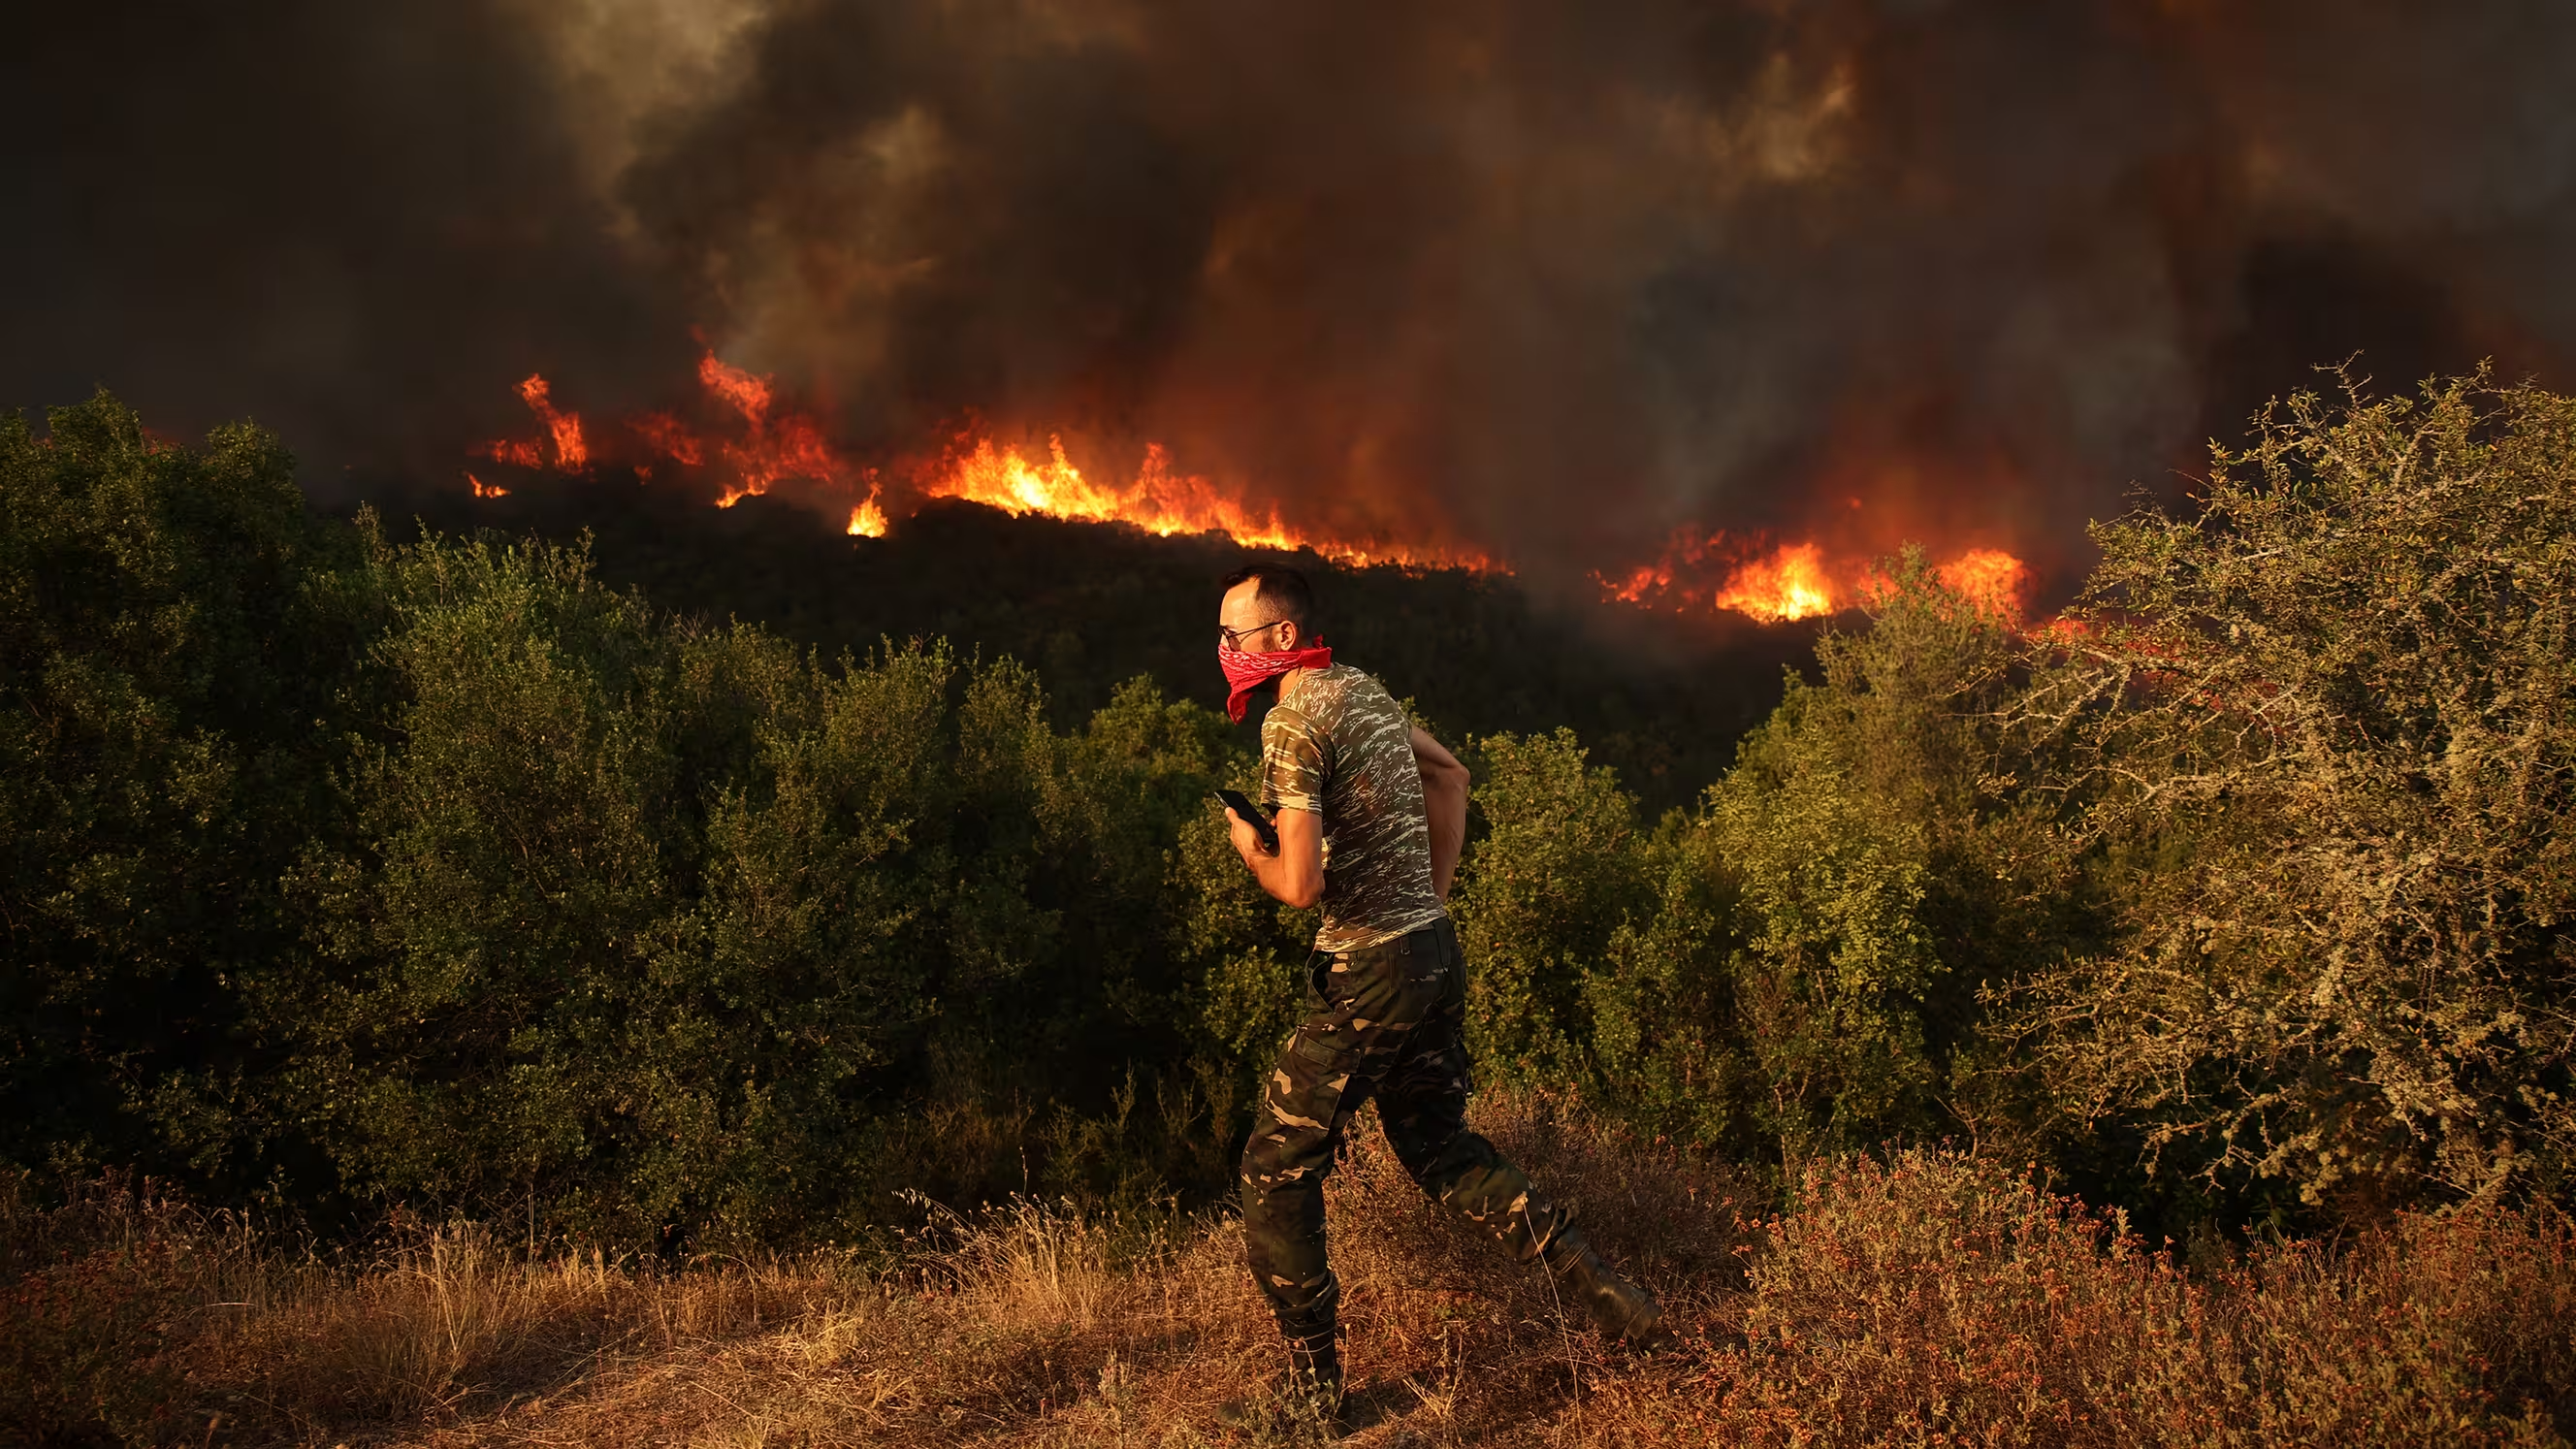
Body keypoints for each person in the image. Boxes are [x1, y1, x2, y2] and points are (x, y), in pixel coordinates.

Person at [1212, 563, 1662, 1415]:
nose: (1224, 651)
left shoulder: (1292, 719)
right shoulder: (1361, 689)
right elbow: (1452, 776)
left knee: (1276, 1173)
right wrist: (1430, 902)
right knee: (1440, 1150)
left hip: (1369, 972)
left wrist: (1250, 847)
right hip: (1431, 953)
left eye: (1233, 635)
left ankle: (1313, 1398)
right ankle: (1618, 1305)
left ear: (1279, 640)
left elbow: (1301, 885)